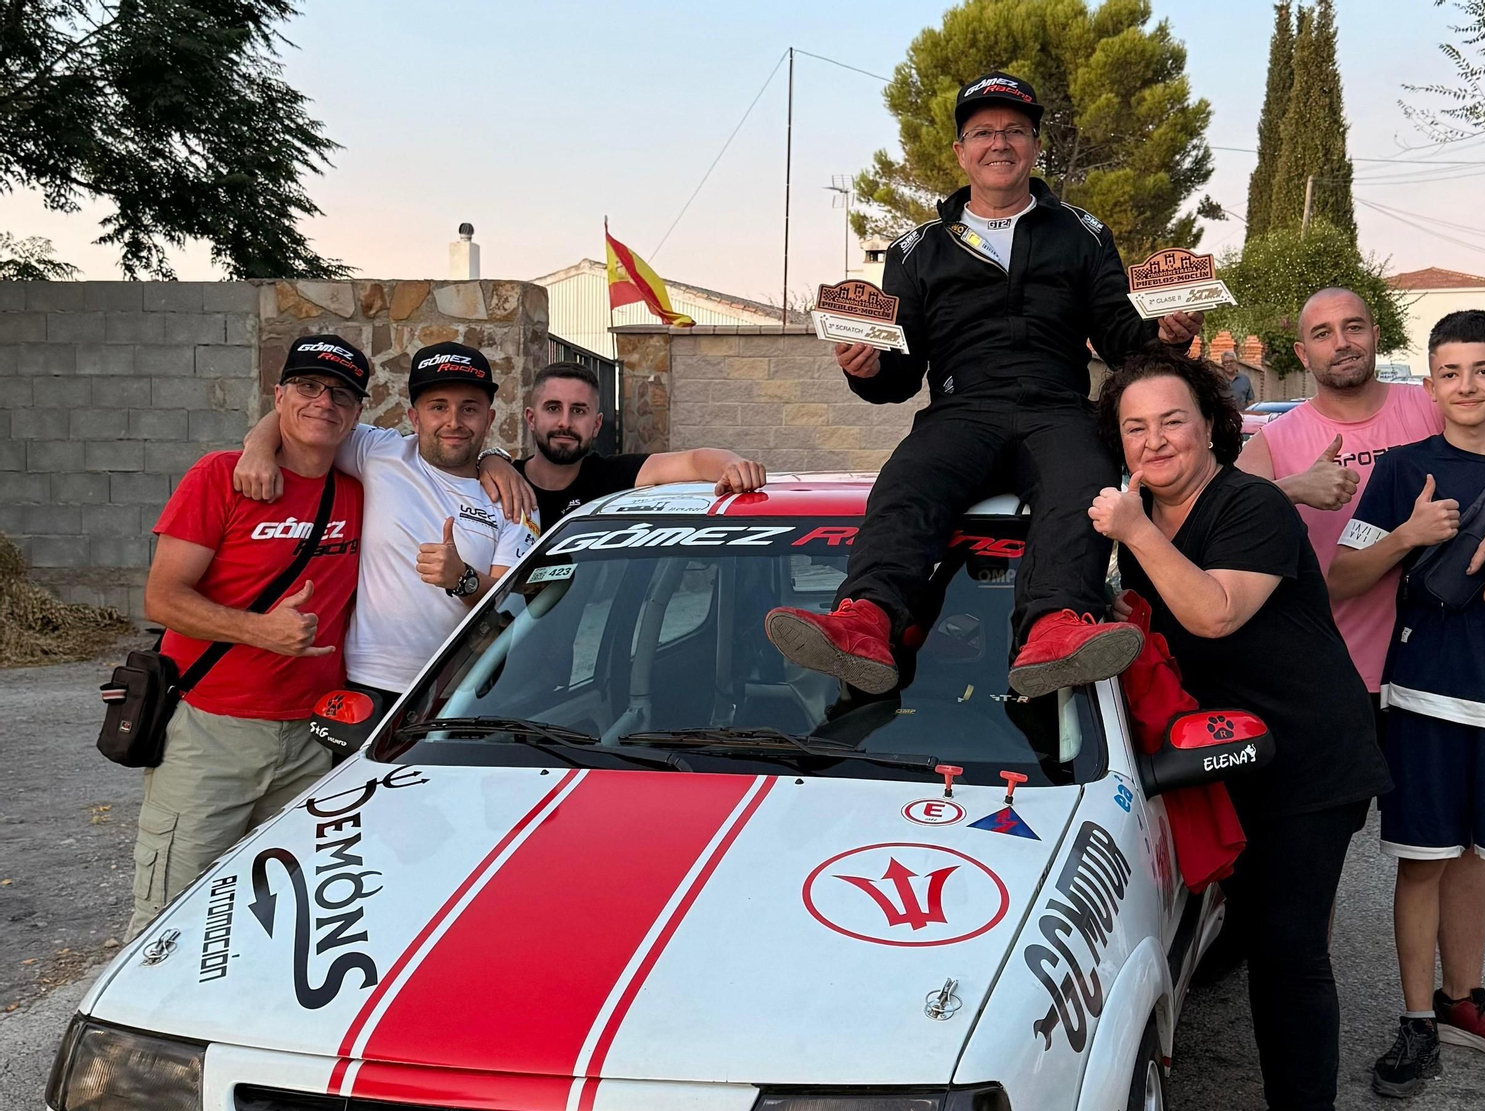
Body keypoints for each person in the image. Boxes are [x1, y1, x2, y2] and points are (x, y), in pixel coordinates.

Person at [762, 72, 1202, 699]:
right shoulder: (915, 249)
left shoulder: (1083, 232)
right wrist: (868, 369)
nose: (1001, 143)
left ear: (1035, 145)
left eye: (1015, 131)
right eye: (984, 132)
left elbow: (1119, 338)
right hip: (960, 408)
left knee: (1085, 486)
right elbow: (900, 371)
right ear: (960, 151)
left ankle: (1055, 628)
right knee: (907, 482)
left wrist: (1167, 333)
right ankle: (865, 621)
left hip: (1058, 405)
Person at [1236, 287, 1485, 1060]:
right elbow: (1215, 505)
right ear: (1300, 348)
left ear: (1375, 334)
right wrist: (1289, 491)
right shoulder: (1280, 437)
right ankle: (1302, 1011)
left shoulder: (1431, 404)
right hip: (1336, 678)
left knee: (1458, 851)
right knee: (1313, 857)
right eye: (1321, 331)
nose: (1340, 341)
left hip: (1439, 676)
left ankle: (1455, 998)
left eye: (1353, 326)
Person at [1092, 348, 1391, 1111]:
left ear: (1211, 426)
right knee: (1254, 922)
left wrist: (1132, 531)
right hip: (1223, 751)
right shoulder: (1140, 513)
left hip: (1306, 760)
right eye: (1135, 428)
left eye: (1172, 422)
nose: (1155, 441)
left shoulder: (1252, 504)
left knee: (1288, 952)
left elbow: (1213, 610)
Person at [1327, 310, 1485, 1111]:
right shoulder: (1404, 468)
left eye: (1483, 370)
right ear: (1429, 382)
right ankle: (1417, 1021)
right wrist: (1408, 534)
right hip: (1423, 698)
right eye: (1450, 371)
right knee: (1423, 864)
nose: (1467, 385)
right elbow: (1339, 573)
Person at [129, 335, 368, 934]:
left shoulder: (362, 493)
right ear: (279, 394)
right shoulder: (219, 477)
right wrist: (262, 631)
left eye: (341, 393)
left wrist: (494, 461)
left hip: (314, 741)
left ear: (358, 413)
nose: (324, 403)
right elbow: (162, 597)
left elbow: (441, 453)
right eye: (308, 386)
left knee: (296, 921)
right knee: (170, 919)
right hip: (211, 734)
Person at [235, 342, 537, 709]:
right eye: (438, 407)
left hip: (465, 688)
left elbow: (513, 604)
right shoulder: (377, 452)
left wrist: (462, 578)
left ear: (489, 419)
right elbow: (298, 422)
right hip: (367, 685)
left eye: (469, 409)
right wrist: (258, 450)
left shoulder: (515, 501)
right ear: (414, 418)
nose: (454, 422)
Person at [476, 360, 768, 529]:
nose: (565, 422)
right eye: (553, 408)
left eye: (578, 410)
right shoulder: (499, 482)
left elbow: (693, 461)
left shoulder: (611, 477)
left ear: (597, 424)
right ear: (530, 417)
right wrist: (490, 460)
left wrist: (732, 465)